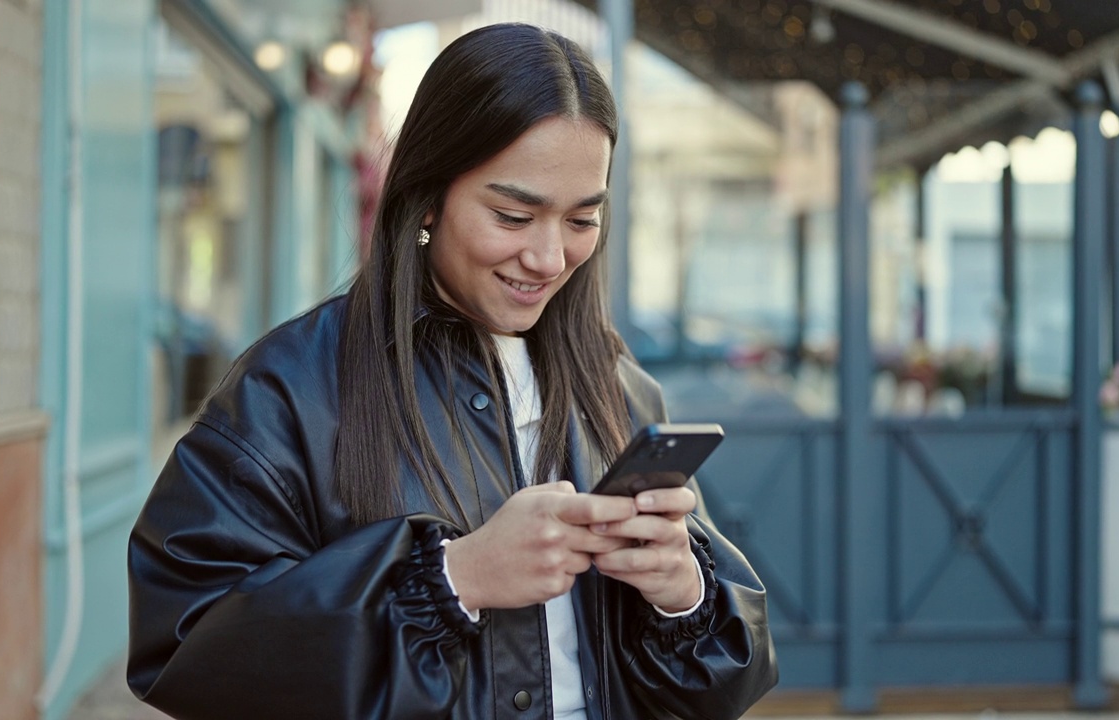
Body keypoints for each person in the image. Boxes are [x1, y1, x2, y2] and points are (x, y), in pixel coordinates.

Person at [127, 22, 777, 720]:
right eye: (512, 215)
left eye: (582, 219)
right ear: (429, 194)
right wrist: (451, 579)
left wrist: (682, 592)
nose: (549, 257)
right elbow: (186, 649)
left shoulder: (616, 384)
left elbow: (715, 688)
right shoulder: (291, 386)